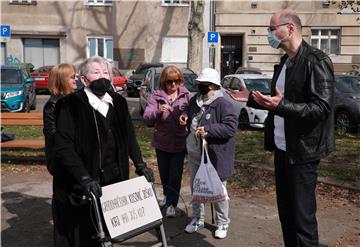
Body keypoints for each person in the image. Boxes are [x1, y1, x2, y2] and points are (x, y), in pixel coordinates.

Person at [247, 9, 335, 247]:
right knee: (286, 216)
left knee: (302, 221)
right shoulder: (285, 63)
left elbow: (322, 108)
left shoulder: (316, 60)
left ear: (290, 28)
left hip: (303, 153)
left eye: (272, 28)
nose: (269, 34)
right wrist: (251, 98)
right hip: (282, 150)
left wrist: (282, 105)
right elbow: (279, 101)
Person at [52, 56, 154, 247]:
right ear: (84, 79)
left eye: (106, 72)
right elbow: (64, 147)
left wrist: (140, 164)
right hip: (85, 181)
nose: (102, 76)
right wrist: (83, 178)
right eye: (96, 72)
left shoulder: (119, 102)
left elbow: (129, 137)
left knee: (107, 230)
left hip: (114, 179)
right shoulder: (70, 105)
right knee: (85, 232)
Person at [180, 68, 237, 239]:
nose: (200, 86)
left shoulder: (223, 104)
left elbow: (230, 127)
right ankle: (198, 219)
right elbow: (188, 113)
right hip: (194, 152)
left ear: (213, 85)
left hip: (215, 155)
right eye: (199, 83)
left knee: (218, 189)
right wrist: (184, 116)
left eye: (203, 84)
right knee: (197, 186)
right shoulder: (194, 100)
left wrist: (209, 130)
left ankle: (222, 222)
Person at [143, 65, 190, 217]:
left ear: (180, 81)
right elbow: (147, 118)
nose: (173, 84)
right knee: (164, 174)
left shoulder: (187, 96)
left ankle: (171, 204)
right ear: (164, 81)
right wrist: (157, 112)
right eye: (169, 81)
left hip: (179, 143)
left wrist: (186, 119)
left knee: (175, 175)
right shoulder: (157, 96)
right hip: (162, 142)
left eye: (176, 81)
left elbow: (193, 114)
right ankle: (167, 196)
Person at [43, 63, 77, 175]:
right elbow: (51, 133)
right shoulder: (53, 104)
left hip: (73, 155)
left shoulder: (72, 99)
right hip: (61, 159)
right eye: (72, 77)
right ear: (62, 80)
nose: (75, 79)